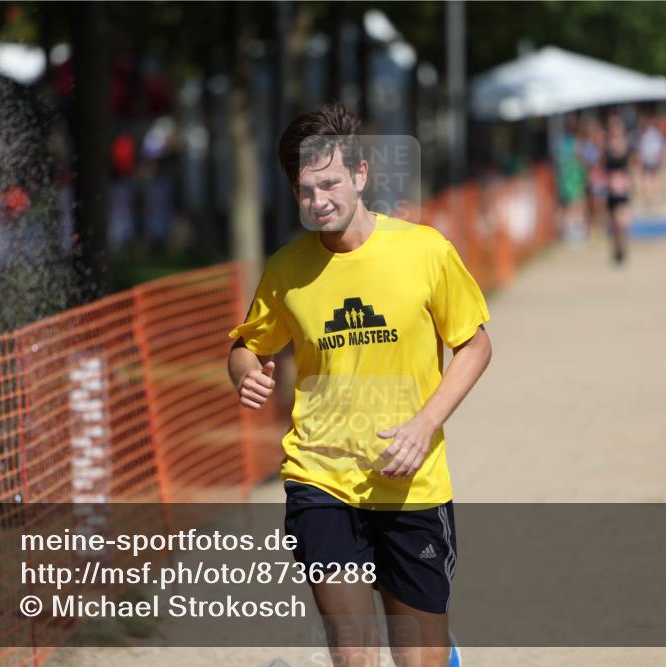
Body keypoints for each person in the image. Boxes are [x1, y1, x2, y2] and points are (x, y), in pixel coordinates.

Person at [227, 103, 491, 667]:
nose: (318, 200)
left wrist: (425, 424)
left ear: (361, 174)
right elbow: (246, 344)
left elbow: (475, 345)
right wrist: (246, 373)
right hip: (321, 477)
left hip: (410, 484)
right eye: (304, 190)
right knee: (354, 654)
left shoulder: (426, 252)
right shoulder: (286, 271)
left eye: (329, 184)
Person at [603, 113, 633, 265]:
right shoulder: (605, 146)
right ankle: (616, 247)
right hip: (610, 189)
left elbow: (632, 165)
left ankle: (623, 247)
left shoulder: (626, 145)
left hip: (623, 188)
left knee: (623, 220)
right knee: (613, 222)